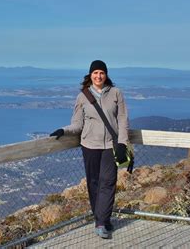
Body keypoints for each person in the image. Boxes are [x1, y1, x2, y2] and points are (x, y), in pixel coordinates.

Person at [50, 60, 130, 239]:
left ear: (106, 75)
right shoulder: (82, 96)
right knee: (93, 183)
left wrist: (122, 143)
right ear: (90, 75)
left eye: (101, 73)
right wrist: (64, 130)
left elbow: (123, 120)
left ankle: (101, 221)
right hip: (89, 146)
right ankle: (101, 219)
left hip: (111, 145)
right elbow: (77, 123)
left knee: (108, 182)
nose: (98, 76)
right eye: (95, 73)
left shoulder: (116, 93)